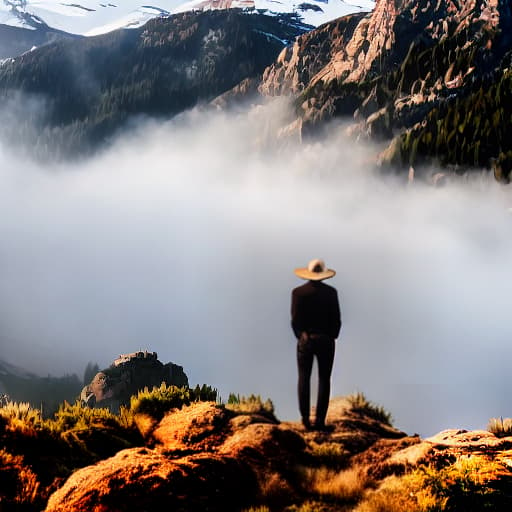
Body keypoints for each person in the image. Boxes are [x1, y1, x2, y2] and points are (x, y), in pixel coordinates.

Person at [291, 258, 341, 431]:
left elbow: (295, 321)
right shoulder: (331, 293)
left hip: (306, 340)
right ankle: (319, 421)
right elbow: (337, 320)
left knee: (304, 377)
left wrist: (301, 336)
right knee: (324, 379)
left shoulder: (298, 293)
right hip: (326, 340)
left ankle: (305, 419)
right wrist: (331, 336)